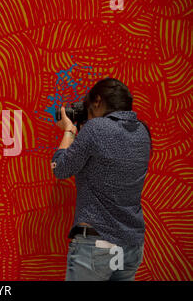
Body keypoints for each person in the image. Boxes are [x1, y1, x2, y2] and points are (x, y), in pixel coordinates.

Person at [51, 77, 152, 281]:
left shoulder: (96, 129)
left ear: (97, 101)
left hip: (97, 244)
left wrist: (69, 131)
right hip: (131, 245)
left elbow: (60, 169)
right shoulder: (143, 132)